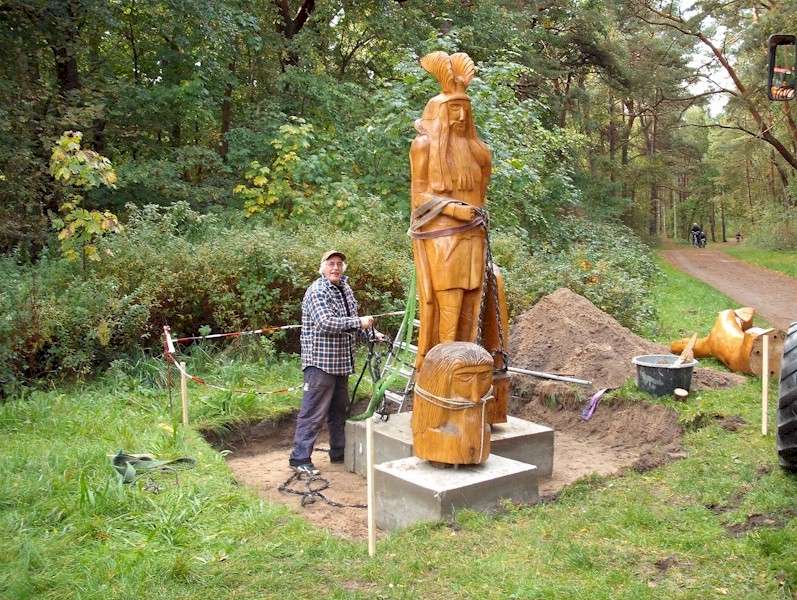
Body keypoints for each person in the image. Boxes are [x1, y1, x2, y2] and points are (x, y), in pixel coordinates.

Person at [288, 250, 375, 476]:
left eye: (339, 264)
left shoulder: (345, 289)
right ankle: (299, 458)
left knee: (339, 410)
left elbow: (353, 323)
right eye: (331, 264)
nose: (335, 268)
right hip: (320, 363)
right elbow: (326, 323)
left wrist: (372, 334)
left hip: (341, 363)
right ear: (322, 267)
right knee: (313, 411)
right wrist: (360, 322)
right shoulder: (317, 291)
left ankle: (339, 452)